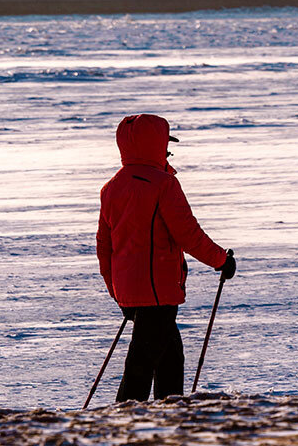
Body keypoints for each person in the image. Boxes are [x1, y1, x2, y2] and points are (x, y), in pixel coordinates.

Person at [96, 114, 236, 401]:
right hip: (157, 291)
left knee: (170, 355)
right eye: (165, 145)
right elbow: (188, 234)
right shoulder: (163, 185)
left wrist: (118, 293)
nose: (168, 151)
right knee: (141, 363)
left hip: (132, 291)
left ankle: (169, 409)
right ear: (154, 146)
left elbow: (104, 246)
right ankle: (124, 419)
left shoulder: (112, 187)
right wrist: (221, 260)